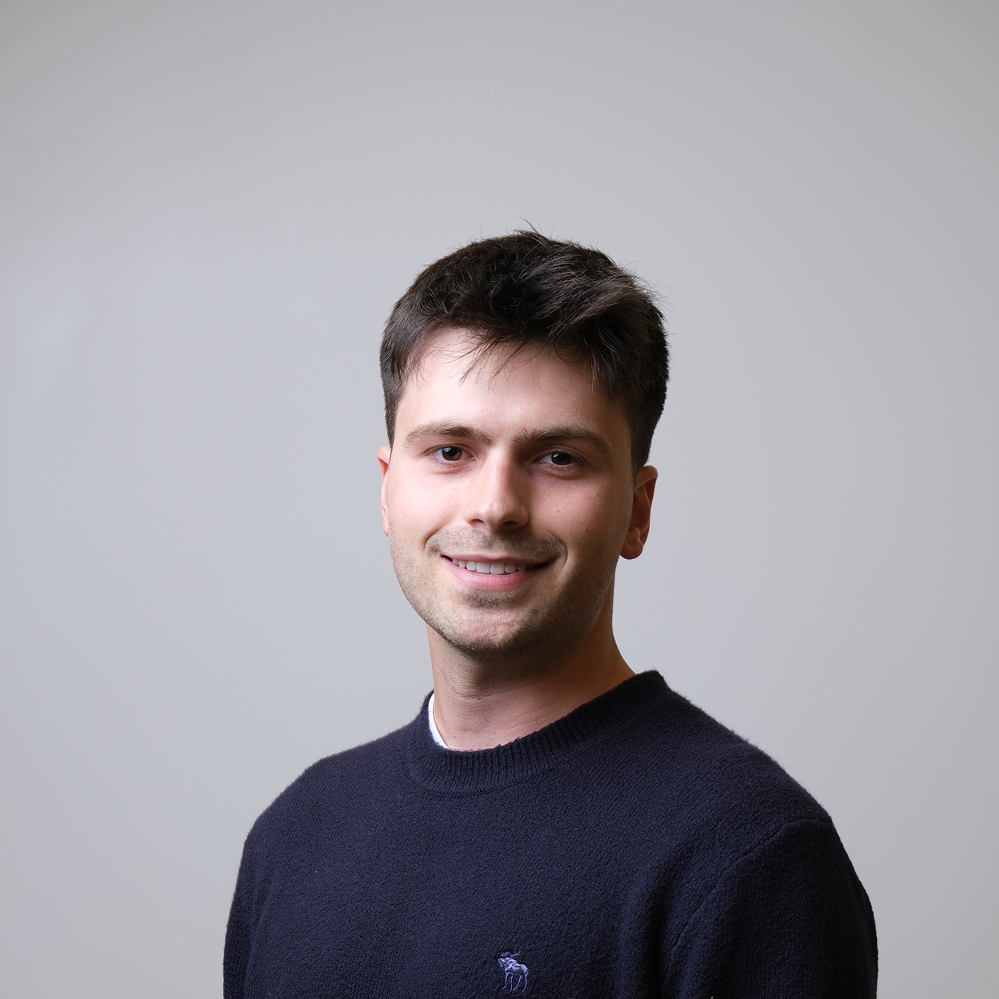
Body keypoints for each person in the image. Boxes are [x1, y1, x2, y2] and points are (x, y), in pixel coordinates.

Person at [223, 232, 877, 997]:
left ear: (636, 511)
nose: (495, 505)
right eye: (450, 450)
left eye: (558, 457)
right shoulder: (295, 836)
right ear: (387, 488)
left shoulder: (747, 853)